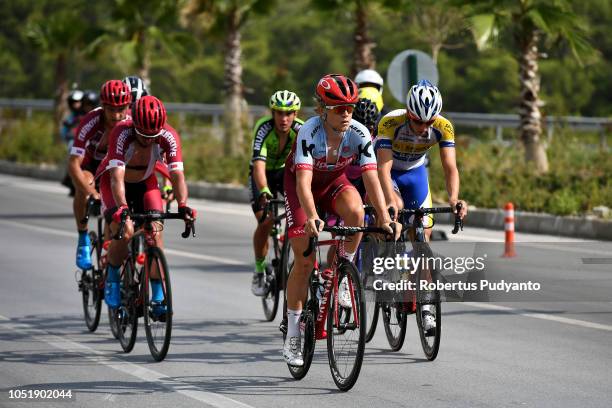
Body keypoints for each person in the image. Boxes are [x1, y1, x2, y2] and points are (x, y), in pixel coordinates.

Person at [282, 74, 399, 366]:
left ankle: (343, 271)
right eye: (339, 108)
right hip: (301, 189)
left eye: (350, 107)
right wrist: (311, 217)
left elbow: (372, 180)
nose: (347, 114)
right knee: (305, 261)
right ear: (322, 108)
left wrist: (384, 218)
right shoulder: (309, 132)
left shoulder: (358, 132)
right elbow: (303, 184)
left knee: (358, 212)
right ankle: (294, 334)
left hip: (334, 182)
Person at [375, 79, 468, 332]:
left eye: (428, 122)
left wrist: (453, 198)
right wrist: (390, 200)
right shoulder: (390, 122)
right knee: (395, 211)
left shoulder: (443, 126)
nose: (423, 127)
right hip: (389, 172)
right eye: (418, 121)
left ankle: (426, 305)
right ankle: (386, 266)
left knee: (422, 240)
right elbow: (382, 170)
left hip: (415, 173)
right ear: (408, 113)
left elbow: (450, 167)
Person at [96, 95, 195, 313]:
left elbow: (177, 176)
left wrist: (183, 204)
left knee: (156, 234)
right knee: (126, 231)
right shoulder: (121, 132)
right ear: (135, 126)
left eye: (154, 136)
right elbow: (116, 177)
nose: (149, 140)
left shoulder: (169, 135)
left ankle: (158, 296)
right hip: (114, 184)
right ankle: (112, 274)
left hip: (145, 181)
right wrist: (122, 208)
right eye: (143, 135)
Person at [68, 80, 132, 270]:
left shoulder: (131, 122)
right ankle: (83, 239)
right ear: (102, 106)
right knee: (84, 185)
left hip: (117, 169)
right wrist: (90, 192)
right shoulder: (91, 121)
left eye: (121, 109)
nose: (117, 115)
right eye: (111, 109)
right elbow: (73, 164)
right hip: (92, 166)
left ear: (128, 106)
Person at [249, 90, 303, 296]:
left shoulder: (300, 129)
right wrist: (263, 189)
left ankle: (288, 244)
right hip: (261, 174)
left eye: (289, 113)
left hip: (284, 172)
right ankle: (259, 269)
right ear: (272, 113)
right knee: (265, 221)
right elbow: (259, 166)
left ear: (295, 113)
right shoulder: (263, 128)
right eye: (279, 113)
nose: (284, 118)